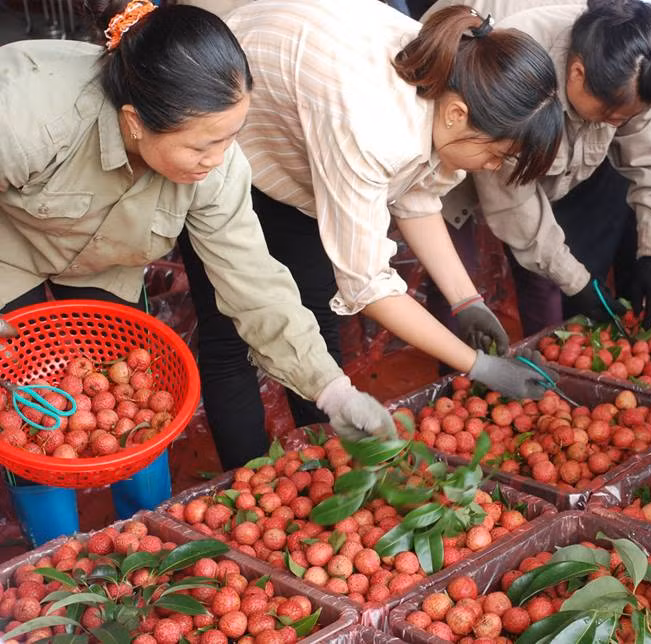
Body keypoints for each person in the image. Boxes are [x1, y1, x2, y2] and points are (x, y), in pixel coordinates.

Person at [0, 0, 396, 471]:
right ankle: (46, 523)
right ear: (135, 123)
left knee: (129, 402)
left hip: (108, 261)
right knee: (24, 406)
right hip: (10, 246)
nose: (220, 157)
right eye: (203, 145)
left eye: (231, 136)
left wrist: (333, 392)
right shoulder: (27, 114)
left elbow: (253, 280)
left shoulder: (219, 169)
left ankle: (139, 510)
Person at [188, 0, 563, 444]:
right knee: (231, 327)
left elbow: (416, 196)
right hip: (226, 127)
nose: (489, 167)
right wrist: (479, 365)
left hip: (298, 137)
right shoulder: (372, 125)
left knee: (316, 307)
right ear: (458, 114)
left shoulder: (448, 83)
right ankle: (250, 474)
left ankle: (321, 458)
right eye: (496, 155)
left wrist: (467, 301)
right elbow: (369, 286)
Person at [422, 0, 651, 336]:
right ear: (577, 74)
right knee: (456, 277)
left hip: (508, 152)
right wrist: (578, 281)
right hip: (456, 139)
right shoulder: (520, 72)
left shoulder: (636, 66)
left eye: (625, 118)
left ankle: (544, 375)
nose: (618, 125)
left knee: (544, 276)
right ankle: (456, 376)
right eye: (610, 116)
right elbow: (514, 204)